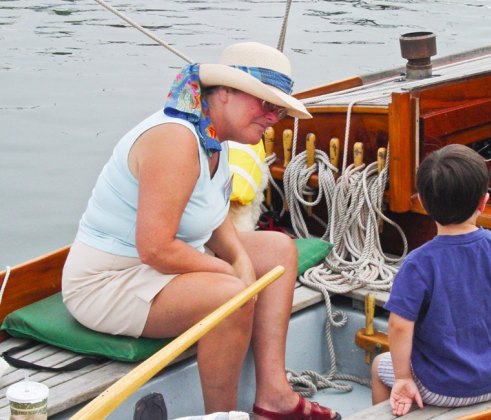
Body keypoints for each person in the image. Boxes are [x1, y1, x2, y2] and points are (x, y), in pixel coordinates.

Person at [62, 41, 340, 419]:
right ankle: (221, 415)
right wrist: (231, 275)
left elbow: (211, 217)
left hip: (161, 269)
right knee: (231, 295)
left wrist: (240, 258)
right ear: (224, 93)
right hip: (111, 280)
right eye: (266, 103)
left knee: (277, 249)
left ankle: (273, 394)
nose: (274, 116)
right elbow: (155, 249)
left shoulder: (213, 138)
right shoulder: (175, 139)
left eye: (279, 107)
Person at [370, 144, 491, 416]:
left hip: (439, 387)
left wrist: (403, 378)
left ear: (424, 204)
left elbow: (400, 326)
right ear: (484, 202)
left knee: (380, 366)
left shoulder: (418, 262)